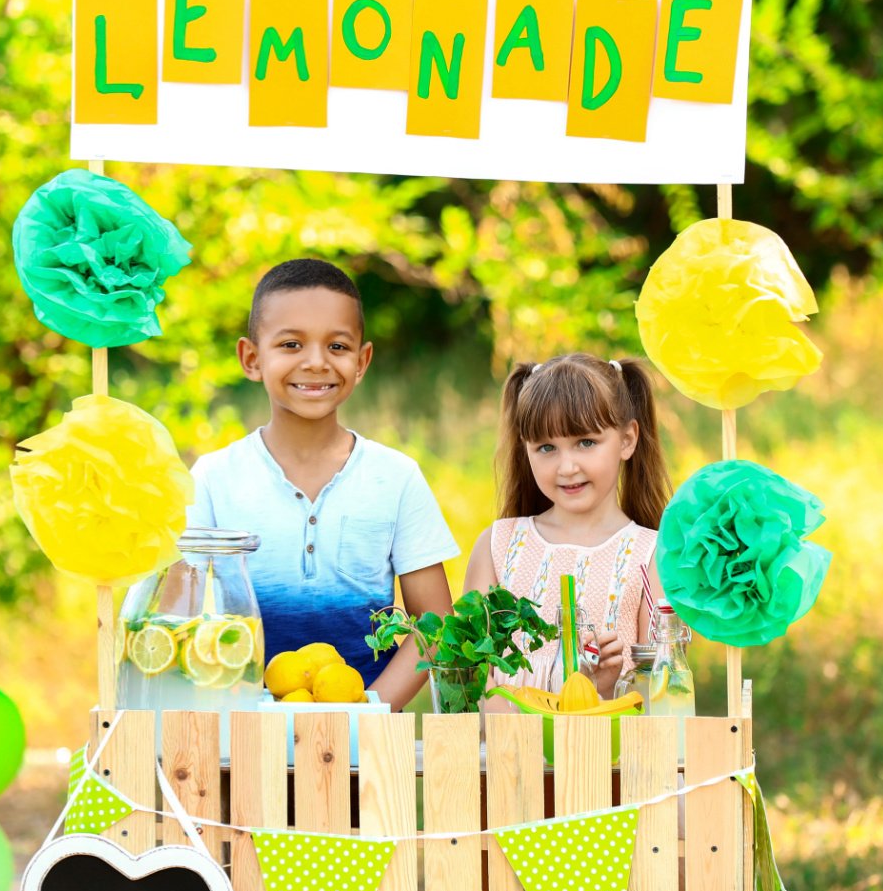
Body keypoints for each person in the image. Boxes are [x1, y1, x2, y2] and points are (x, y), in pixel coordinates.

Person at [189, 259, 458, 709]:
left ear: (362, 361)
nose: (316, 362)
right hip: (241, 735)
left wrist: (369, 708)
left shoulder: (396, 477)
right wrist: (241, 705)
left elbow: (434, 622)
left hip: (366, 751)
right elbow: (182, 620)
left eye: (337, 346)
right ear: (251, 359)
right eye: (291, 344)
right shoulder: (214, 479)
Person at [464, 353, 674, 702]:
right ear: (525, 449)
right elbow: (467, 679)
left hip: (604, 755)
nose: (567, 466)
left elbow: (663, 692)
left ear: (627, 440)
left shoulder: (650, 555)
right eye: (546, 447)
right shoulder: (497, 546)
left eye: (586, 442)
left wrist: (602, 687)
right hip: (505, 752)